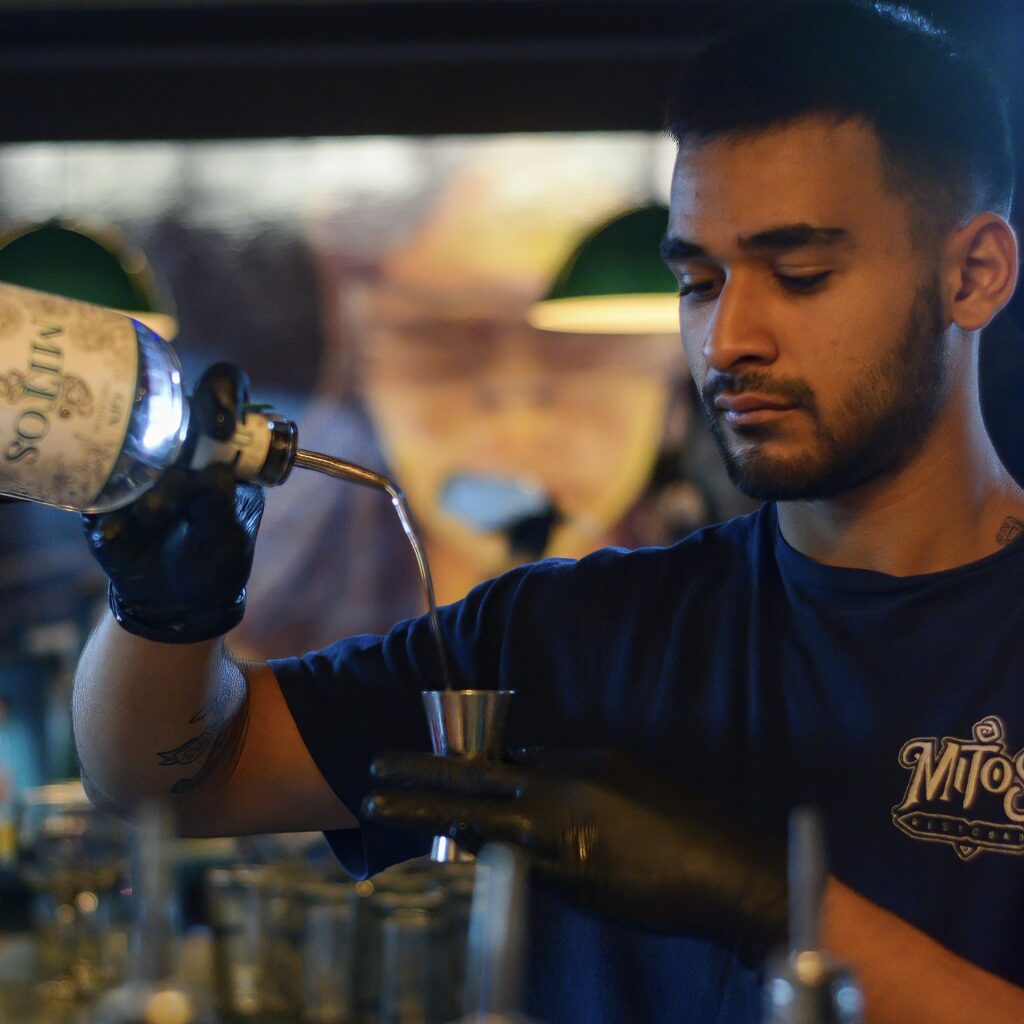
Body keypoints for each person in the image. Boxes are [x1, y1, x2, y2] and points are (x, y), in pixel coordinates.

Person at [71, 3, 1024, 1022]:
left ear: (973, 274)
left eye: (800, 274)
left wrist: (761, 903)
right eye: (698, 281)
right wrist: (163, 613)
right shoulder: (566, 635)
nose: (727, 338)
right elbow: (169, 780)